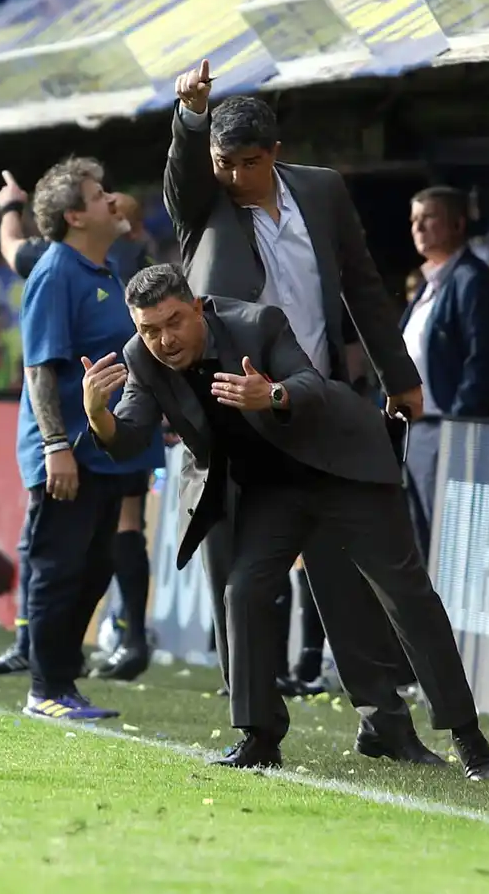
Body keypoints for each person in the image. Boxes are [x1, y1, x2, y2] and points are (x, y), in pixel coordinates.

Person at [82, 264, 489, 778]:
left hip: (340, 465)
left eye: (172, 322)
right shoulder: (139, 359)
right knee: (244, 591)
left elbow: (310, 383)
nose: (163, 341)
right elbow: (127, 437)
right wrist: (97, 413)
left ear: (197, 307)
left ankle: (469, 739)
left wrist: (271, 395)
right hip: (272, 489)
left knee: (405, 593)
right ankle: (259, 738)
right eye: (148, 330)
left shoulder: (258, 323)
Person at [167, 59, 444, 765]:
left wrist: (399, 374)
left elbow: (362, 285)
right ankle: (256, 730)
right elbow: (187, 174)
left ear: (277, 153)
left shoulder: (321, 192)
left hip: (314, 405)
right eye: (223, 161)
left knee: (347, 570)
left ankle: (384, 718)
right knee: (241, 580)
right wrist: (192, 117)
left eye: (247, 161)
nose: (233, 174)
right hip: (232, 417)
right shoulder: (203, 202)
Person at [0, 169, 158, 681]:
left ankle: (63, 675)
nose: (113, 203)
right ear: (75, 216)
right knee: (57, 567)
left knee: (96, 566)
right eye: (101, 196)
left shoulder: (105, 269)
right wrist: (56, 445)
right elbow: (38, 367)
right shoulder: (55, 270)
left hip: (111, 447)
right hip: (71, 452)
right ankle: (46, 683)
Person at [401, 185, 489, 556]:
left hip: (446, 429)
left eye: (428, 217)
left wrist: (457, 423)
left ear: (458, 223)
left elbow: (484, 358)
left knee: (447, 544)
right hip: (415, 431)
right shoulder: (429, 285)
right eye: (414, 220)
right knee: (417, 540)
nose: (419, 227)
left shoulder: (471, 279)